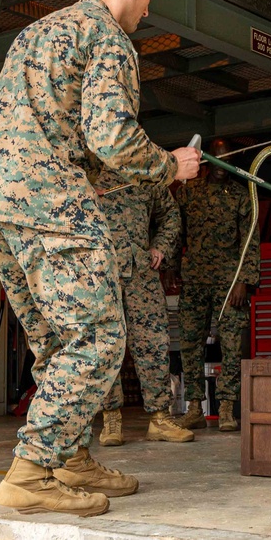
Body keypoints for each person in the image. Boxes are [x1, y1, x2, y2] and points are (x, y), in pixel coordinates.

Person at [0, 0, 201, 516]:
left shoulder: (40, 31)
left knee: (58, 339)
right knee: (97, 338)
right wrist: (169, 166)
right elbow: (110, 137)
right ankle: (33, 473)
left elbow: (68, 134)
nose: (147, 12)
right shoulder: (108, 39)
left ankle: (70, 458)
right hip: (50, 204)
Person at [93, 168, 195, 446]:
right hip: (101, 273)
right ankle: (111, 418)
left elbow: (170, 215)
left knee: (154, 342)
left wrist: (160, 246)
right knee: (105, 344)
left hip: (142, 273)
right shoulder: (89, 173)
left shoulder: (146, 176)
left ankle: (160, 418)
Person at [174, 138, 259, 432]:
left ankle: (225, 408)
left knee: (232, 346)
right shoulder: (189, 192)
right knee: (190, 344)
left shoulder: (241, 196)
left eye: (228, 159)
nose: (223, 165)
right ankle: (195, 407)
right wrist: (174, 269)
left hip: (229, 282)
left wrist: (245, 282)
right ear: (208, 160)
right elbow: (176, 233)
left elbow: (250, 241)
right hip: (194, 279)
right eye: (218, 159)